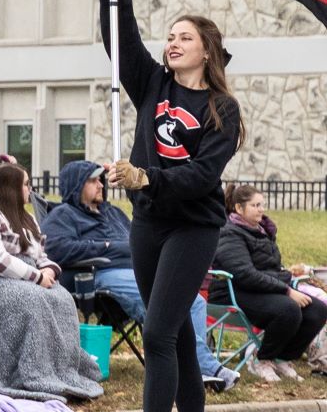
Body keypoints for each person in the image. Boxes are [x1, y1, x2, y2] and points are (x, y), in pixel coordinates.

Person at [97, 0, 241, 412]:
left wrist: (145, 176)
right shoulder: (152, 84)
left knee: (156, 334)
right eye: (171, 36)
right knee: (178, 338)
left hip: (193, 227)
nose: (172, 42)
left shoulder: (222, 109)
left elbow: (202, 177)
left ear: (206, 49)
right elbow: (119, 35)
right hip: (149, 225)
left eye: (184, 36)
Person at [43, 160, 231, 393]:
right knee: (160, 304)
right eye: (92, 180)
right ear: (76, 185)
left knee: (195, 301)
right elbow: (57, 249)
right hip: (101, 272)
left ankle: (190, 367)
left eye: (100, 180)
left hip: (138, 268)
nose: (100, 185)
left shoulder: (113, 213)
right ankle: (204, 368)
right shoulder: (64, 215)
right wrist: (108, 246)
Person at [0, 161, 100, 398]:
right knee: (31, 298)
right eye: (26, 184)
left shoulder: (25, 219)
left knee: (63, 298)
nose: (29, 190)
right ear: (10, 187)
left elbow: (40, 256)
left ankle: (60, 370)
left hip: (19, 278)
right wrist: (36, 277)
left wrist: (49, 271)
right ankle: (28, 373)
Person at [212, 184, 327, 382]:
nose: (261, 209)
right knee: (289, 309)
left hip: (262, 290)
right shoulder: (230, 233)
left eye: (262, 205)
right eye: (255, 205)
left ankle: (283, 358)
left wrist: (283, 280)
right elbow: (245, 274)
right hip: (232, 292)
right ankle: (261, 360)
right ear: (239, 208)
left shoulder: (263, 232)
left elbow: (272, 270)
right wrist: (286, 289)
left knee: (317, 310)